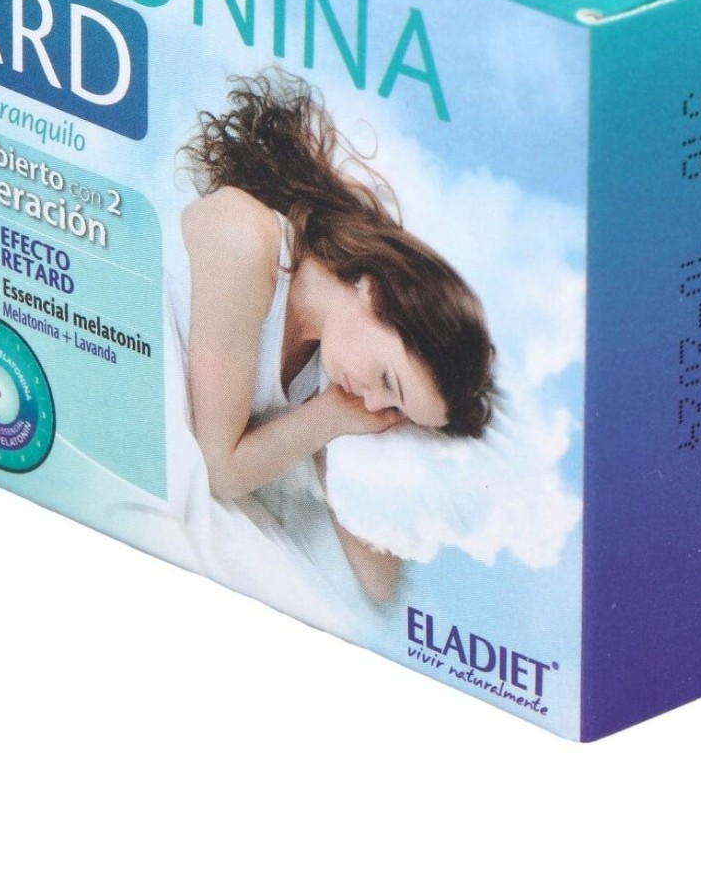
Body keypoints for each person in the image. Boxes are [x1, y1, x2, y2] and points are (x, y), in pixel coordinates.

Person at [174, 70, 497, 604]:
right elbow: (218, 471)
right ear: (377, 290)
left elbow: (379, 588)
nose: (372, 406)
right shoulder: (246, 239)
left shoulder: (327, 361)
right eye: (389, 381)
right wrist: (328, 420)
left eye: (395, 409)